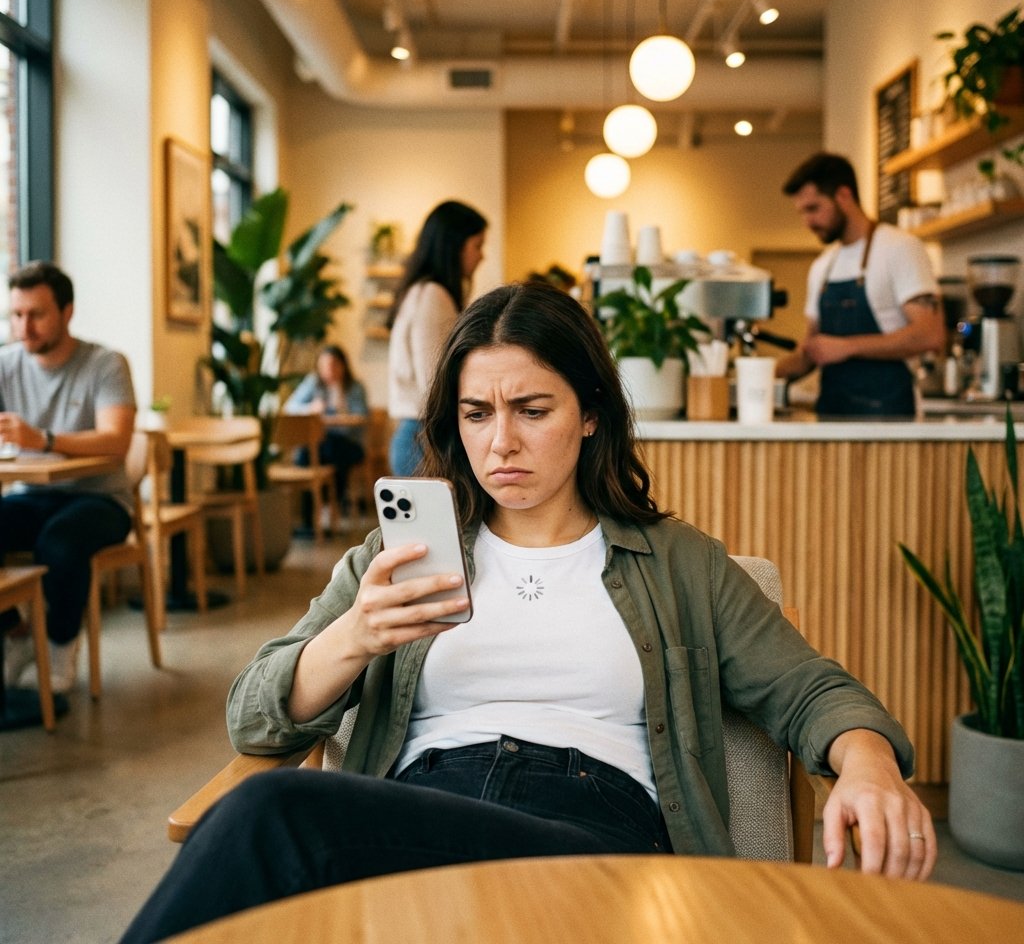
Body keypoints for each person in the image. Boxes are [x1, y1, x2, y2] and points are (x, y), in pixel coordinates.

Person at [121, 280, 935, 943]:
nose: (499, 442)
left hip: (594, 849)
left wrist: (866, 762)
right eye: (477, 414)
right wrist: (354, 635)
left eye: (531, 411)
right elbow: (253, 719)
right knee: (271, 811)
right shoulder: (396, 558)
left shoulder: (680, 563)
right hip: (414, 826)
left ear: (589, 414)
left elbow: (809, 689)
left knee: (279, 818)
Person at [0, 262, 136, 694]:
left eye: (36, 314)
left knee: (60, 543)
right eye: (16, 315)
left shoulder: (105, 363)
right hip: (31, 492)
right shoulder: (5, 364)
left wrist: (43, 439)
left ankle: (61, 644)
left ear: (67, 312)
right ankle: (17, 632)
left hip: (101, 499)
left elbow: (116, 441)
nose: (25, 326)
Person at [776, 152, 944, 417]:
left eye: (813, 208)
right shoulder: (822, 267)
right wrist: (760, 374)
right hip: (831, 416)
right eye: (802, 213)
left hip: (890, 417)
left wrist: (847, 347)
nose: (807, 222)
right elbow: (812, 350)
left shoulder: (900, 248)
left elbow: (929, 335)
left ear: (843, 195)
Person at [386, 199, 487, 475]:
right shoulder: (433, 296)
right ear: (455, 246)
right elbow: (434, 382)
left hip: (415, 435)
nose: (482, 256)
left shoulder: (421, 292)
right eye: (477, 245)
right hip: (423, 439)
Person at [284, 344, 369, 519]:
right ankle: (312, 516)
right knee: (306, 454)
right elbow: (289, 407)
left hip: (349, 442)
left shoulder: (354, 387)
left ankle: (328, 507)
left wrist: (342, 410)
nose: (329, 370)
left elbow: (361, 417)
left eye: (333, 365)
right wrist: (310, 408)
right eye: (324, 366)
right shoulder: (313, 383)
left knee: (336, 451)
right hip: (322, 443)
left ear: (343, 365)